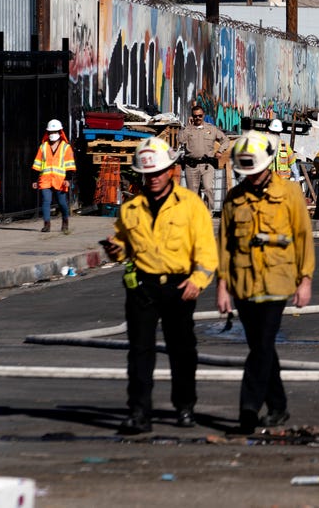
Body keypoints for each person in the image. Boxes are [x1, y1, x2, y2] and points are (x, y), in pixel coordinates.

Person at [100, 136, 217, 434]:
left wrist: (198, 280)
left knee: (182, 350)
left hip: (180, 286)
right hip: (142, 287)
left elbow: (206, 249)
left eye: (158, 173)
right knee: (140, 351)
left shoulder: (190, 205)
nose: (153, 179)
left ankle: (185, 407)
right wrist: (116, 250)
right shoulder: (130, 210)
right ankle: (139, 413)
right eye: (147, 174)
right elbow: (126, 247)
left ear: (170, 171)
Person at [216, 130, 314, 434]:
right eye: (247, 171)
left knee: (261, 347)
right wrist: (222, 285)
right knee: (262, 347)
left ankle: (248, 408)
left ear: (267, 165)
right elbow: (225, 245)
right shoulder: (234, 198)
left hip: (277, 280)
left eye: (256, 170)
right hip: (244, 282)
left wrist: (305, 279)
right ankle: (279, 406)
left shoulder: (289, 193)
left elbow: (303, 237)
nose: (252, 177)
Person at [179, 105, 230, 214]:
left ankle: (208, 213)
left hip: (207, 165)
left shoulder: (211, 129)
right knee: (192, 192)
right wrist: (188, 127)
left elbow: (225, 140)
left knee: (208, 188)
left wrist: (220, 151)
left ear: (203, 116)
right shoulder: (188, 129)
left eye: (200, 116)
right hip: (191, 165)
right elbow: (180, 139)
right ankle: (195, 214)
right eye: (195, 116)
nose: (198, 118)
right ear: (192, 116)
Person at [31, 119, 77, 234]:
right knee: (46, 201)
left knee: (62, 203)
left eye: (54, 132)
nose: (52, 134)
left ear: (60, 132)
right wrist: (34, 179)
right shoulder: (43, 147)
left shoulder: (66, 147)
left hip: (60, 180)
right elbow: (37, 163)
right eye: (50, 132)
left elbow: (70, 165)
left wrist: (68, 179)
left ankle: (65, 221)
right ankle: (47, 224)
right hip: (45, 179)